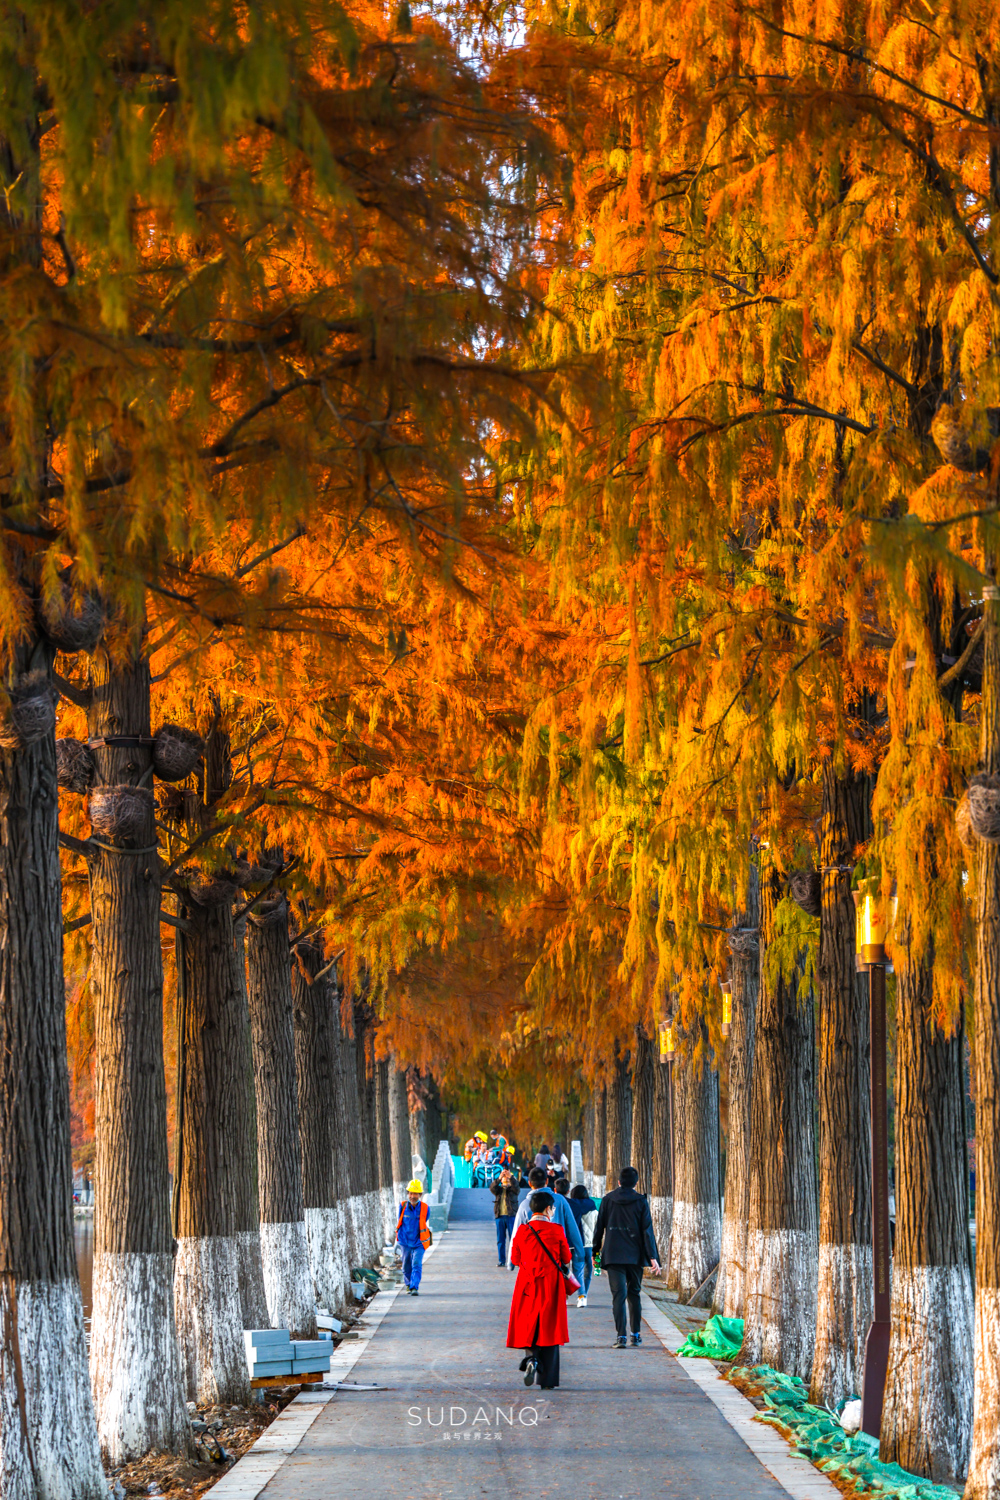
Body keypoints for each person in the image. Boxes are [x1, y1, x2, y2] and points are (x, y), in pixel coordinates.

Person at [508, 1193, 571, 1390]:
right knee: (549, 1327)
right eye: (552, 1209)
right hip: (550, 1284)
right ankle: (547, 1380)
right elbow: (566, 1257)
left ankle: (531, 1361)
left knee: (530, 1325)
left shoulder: (522, 1231)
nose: (553, 1212)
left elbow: (515, 1259)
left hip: (527, 1285)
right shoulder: (556, 1230)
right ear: (547, 1209)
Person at [592, 1165, 660, 1347]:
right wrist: (653, 1257)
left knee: (618, 1296)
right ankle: (636, 1335)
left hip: (613, 1255)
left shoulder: (607, 1200)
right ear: (636, 1183)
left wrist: (595, 1252)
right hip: (635, 1256)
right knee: (634, 1294)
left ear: (619, 1182)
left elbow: (599, 1228)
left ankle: (620, 1336)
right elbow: (647, 1231)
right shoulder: (641, 1201)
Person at [511, 1167, 584, 1285]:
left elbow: (516, 1235)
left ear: (529, 1183)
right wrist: (580, 1253)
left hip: (532, 1261)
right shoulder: (560, 1200)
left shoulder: (525, 1205)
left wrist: (511, 1263)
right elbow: (572, 1227)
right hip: (557, 1258)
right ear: (546, 1181)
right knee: (557, 1292)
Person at [396, 1179, 432, 1296]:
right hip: (405, 1241)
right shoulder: (402, 1206)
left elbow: (424, 1221)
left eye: (415, 1194)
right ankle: (408, 1284)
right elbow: (400, 1221)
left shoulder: (425, 1208)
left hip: (419, 1242)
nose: (412, 1196)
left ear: (420, 1195)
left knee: (416, 1263)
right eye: (410, 1193)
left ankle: (414, 1287)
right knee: (406, 1265)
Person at [568, 1184, 599, 1306]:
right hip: (591, 1245)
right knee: (588, 1271)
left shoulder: (572, 1208)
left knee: (578, 1270)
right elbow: (598, 1228)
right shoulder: (593, 1207)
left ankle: (581, 1296)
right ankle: (583, 1294)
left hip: (577, 1244)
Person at [490, 1164, 520, 1267]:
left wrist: (510, 1177)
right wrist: (499, 1178)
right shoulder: (498, 1190)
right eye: (504, 1179)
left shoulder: (513, 1190)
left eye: (507, 1180)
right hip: (500, 1216)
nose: (505, 1181)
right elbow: (492, 1187)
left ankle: (514, 1260)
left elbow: (517, 1188)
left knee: (513, 1239)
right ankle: (501, 1260)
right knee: (500, 1240)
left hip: (511, 1216)